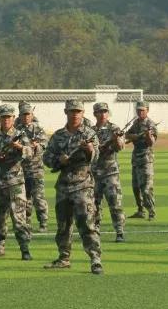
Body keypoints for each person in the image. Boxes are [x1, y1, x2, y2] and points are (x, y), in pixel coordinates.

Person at [42, 99, 103, 274]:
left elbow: (95, 157)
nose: (75, 114)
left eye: (78, 111)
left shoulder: (89, 134)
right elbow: (47, 157)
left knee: (87, 223)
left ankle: (95, 259)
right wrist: (58, 160)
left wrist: (90, 149)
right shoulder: (58, 135)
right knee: (63, 225)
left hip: (83, 185)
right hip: (63, 186)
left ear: (83, 113)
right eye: (71, 111)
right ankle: (63, 257)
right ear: (66, 112)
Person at [0, 104, 33, 260]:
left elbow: (30, 153)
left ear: (13, 118)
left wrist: (19, 148)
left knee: (19, 218)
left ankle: (25, 249)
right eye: (3, 117)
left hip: (15, 182)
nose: (6, 120)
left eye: (9, 117)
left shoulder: (20, 135)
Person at [91, 102, 126, 243]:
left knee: (115, 203)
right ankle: (95, 230)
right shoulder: (90, 130)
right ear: (95, 114)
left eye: (105, 111)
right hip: (94, 172)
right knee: (94, 204)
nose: (103, 114)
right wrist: (103, 145)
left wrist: (116, 139)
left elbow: (120, 147)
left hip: (110, 172)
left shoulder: (114, 128)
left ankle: (119, 231)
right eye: (100, 112)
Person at [16, 102, 48, 231]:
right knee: (24, 198)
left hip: (36, 169)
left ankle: (43, 222)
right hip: (20, 169)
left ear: (32, 115)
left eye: (28, 114)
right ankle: (26, 221)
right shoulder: (16, 129)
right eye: (23, 114)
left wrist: (37, 146)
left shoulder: (38, 129)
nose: (26, 117)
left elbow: (45, 144)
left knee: (38, 197)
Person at [125, 101, 157, 220]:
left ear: (147, 110)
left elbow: (151, 143)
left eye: (142, 110)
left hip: (146, 159)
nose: (140, 112)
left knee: (146, 188)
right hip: (136, 159)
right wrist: (135, 136)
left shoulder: (151, 125)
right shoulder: (136, 123)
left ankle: (151, 212)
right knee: (136, 187)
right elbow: (127, 135)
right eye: (138, 110)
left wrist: (147, 135)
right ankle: (140, 210)